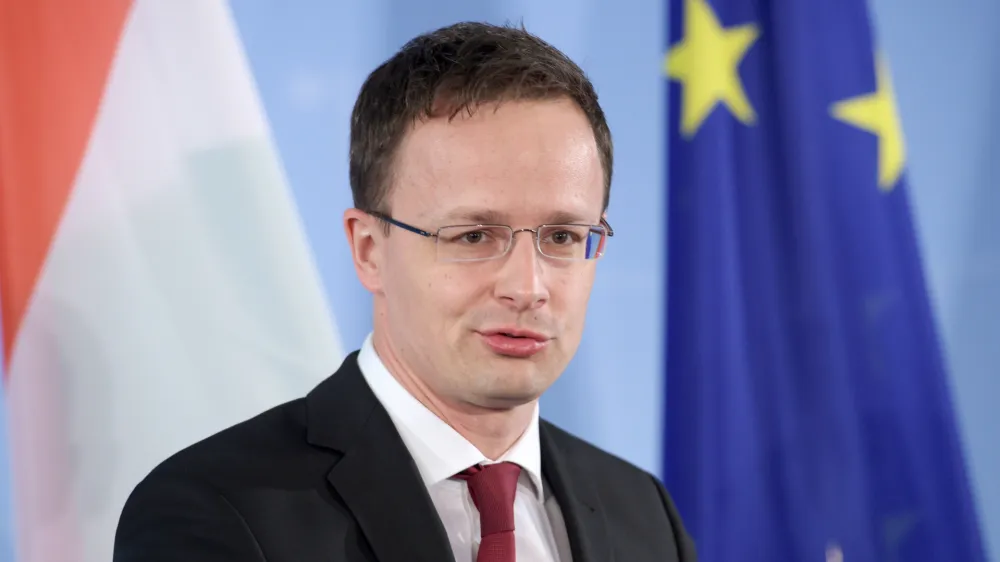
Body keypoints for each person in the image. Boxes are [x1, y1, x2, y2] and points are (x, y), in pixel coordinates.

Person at [113, 21, 696, 562]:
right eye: (473, 235)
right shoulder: (214, 510)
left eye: (563, 236)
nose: (527, 287)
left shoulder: (644, 514)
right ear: (369, 249)